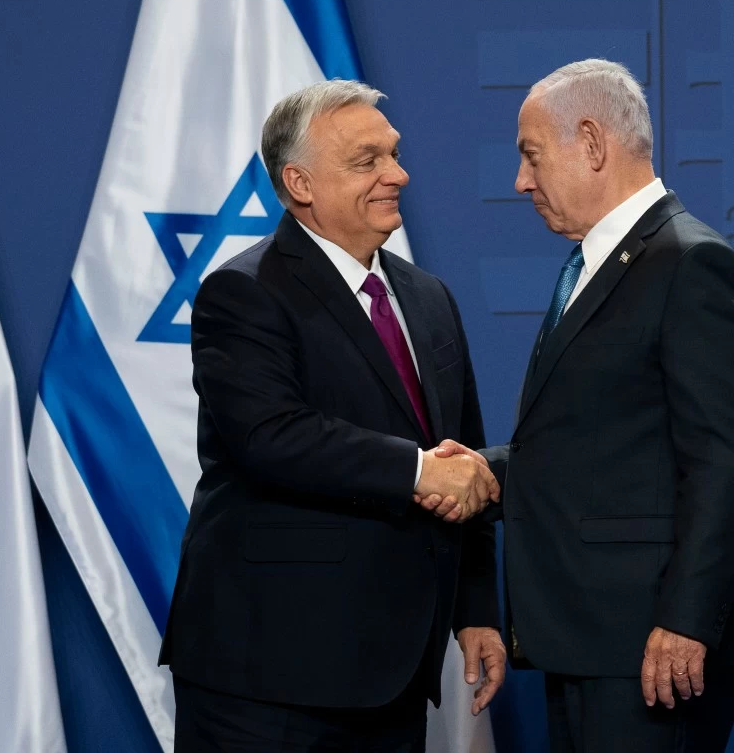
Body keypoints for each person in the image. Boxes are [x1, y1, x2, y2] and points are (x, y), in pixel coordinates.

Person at [159, 79, 506, 752]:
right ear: (301, 183)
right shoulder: (244, 292)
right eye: (367, 161)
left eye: (394, 155)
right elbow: (269, 436)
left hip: (395, 673)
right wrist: (415, 472)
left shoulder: (428, 298)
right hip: (267, 679)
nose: (397, 174)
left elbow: (462, 459)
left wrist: (475, 609)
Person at [438, 59, 734, 752]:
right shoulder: (596, 264)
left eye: (531, 156)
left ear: (591, 143)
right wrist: (482, 470)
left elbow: (723, 460)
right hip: (591, 640)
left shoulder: (690, 263)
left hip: (652, 650)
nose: (520, 182)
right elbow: (595, 444)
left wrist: (686, 622)